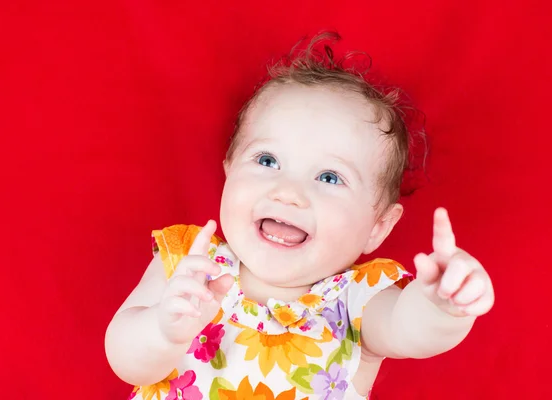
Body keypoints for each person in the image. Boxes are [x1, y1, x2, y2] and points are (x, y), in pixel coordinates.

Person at [105, 32, 495, 400]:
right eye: (268, 160)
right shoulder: (190, 262)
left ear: (378, 227)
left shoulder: (357, 300)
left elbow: (411, 331)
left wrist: (443, 306)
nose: (289, 193)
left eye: (329, 177)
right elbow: (125, 361)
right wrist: (162, 330)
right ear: (228, 171)